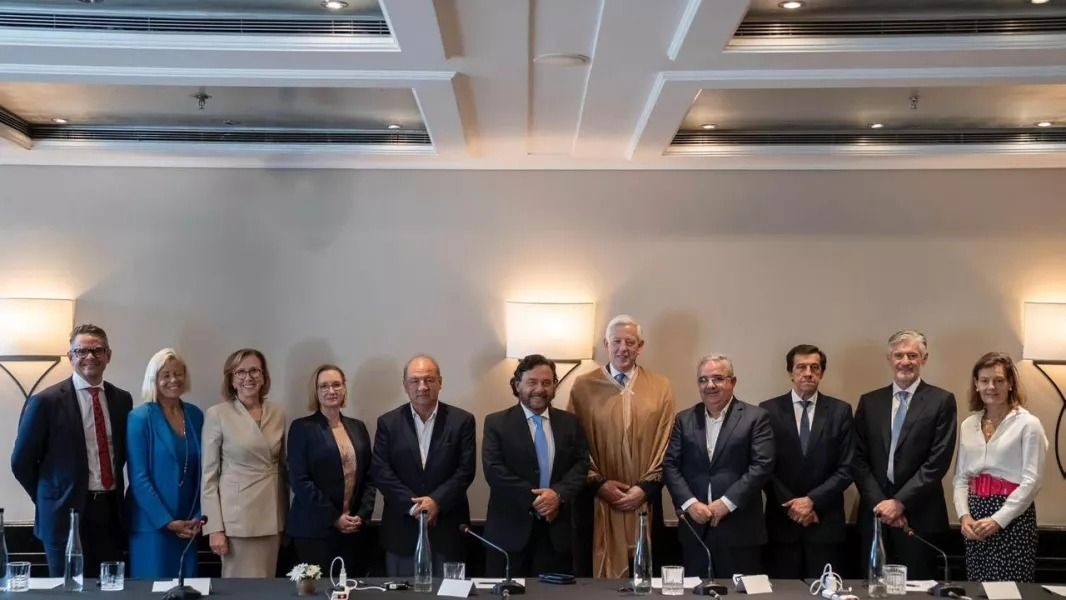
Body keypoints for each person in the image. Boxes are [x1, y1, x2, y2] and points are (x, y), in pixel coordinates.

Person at [11, 324, 132, 577]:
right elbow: (21, 462)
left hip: (109, 513)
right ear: (70, 356)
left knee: (109, 587)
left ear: (108, 355)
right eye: (81, 351)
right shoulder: (45, 402)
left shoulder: (122, 400)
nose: (90, 357)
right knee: (68, 589)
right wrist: (49, 496)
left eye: (97, 350)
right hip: (63, 516)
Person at [567, 314, 676, 578]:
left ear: (641, 346)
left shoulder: (661, 386)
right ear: (606, 344)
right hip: (596, 500)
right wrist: (600, 485)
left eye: (630, 342)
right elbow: (572, 444)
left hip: (645, 499)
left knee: (645, 575)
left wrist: (644, 488)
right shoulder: (583, 386)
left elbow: (668, 441)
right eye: (616, 341)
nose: (623, 348)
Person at [853, 330, 957, 579]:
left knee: (917, 591)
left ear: (924, 359)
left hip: (920, 517)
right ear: (889, 359)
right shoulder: (870, 402)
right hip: (875, 515)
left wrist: (899, 503)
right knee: (873, 589)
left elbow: (937, 461)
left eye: (912, 355)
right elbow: (857, 458)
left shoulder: (941, 401)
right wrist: (882, 504)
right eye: (899, 355)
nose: (905, 361)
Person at [663, 354, 774, 577]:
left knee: (739, 592)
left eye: (718, 378)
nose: (710, 385)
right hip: (695, 529)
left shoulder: (756, 417)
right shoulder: (684, 419)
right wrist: (690, 504)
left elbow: (762, 465)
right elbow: (670, 465)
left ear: (733, 381)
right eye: (703, 380)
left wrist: (726, 503)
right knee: (694, 590)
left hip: (740, 530)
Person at [482, 354, 590, 576]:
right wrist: (540, 501)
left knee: (553, 592)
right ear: (517, 385)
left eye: (546, 383)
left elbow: (581, 465)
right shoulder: (496, 423)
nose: (540, 389)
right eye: (532, 382)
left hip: (556, 535)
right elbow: (494, 471)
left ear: (554, 386)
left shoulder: (570, 422)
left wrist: (557, 495)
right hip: (509, 534)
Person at [371, 355, 476, 577]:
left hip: (448, 530)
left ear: (440, 382)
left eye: (429, 380)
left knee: (448, 592)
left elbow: (465, 471)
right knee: (402, 592)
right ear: (405, 385)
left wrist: (436, 501)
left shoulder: (462, 421)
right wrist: (416, 508)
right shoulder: (388, 423)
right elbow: (381, 472)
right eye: (415, 380)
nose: (422, 387)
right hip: (402, 531)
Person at [761, 345, 854, 579]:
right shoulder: (768, 410)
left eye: (815, 367)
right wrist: (794, 507)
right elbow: (764, 467)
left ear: (822, 373)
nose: (808, 373)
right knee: (783, 593)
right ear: (790, 373)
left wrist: (812, 501)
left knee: (825, 591)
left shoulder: (840, 411)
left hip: (825, 523)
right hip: (782, 523)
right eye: (801, 367)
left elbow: (847, 468)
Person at [953, 352, 1047, 582]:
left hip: (1012, 517)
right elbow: (961, 478)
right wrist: (964, 516)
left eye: (998, 380)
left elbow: (1032, 481)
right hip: (975, 519)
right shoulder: (968, 425)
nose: (991, 387)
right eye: (984, 380)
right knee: (978, 589)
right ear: (976, 384)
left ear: (1010, 383)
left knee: (1010, 591)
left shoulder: (1028, 424)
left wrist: (998, 519)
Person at [201, 348, 288, 578]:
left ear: (264, 376)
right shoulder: (217, 414)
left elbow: (284, 467)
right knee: (239, 589)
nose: (248, 377)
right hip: (236, 521)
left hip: (272, 515)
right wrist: (214, 528)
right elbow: (208, 477)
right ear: (231, 379)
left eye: (254, 371)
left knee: (267, 587)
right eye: (240, 372)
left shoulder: (278, 413)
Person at [287, 364, 377, 576]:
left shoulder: (358, 427)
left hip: (353, 531)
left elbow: (370, 477)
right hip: (314, 531)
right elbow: (300, 481)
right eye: (324, 386)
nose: (331, 390)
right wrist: (334, 517)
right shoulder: (302, 428)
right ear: (316, 391)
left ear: (344, 388)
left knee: (351, 588)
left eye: (336, 385)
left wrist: (361, 516)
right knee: (319, 589)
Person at [126, 348, 205, 578]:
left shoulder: (196, 415)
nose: (173, 380)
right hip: (152, 526)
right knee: (152, 590)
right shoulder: (139, 418)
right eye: (166, 375)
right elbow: (139, 478)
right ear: (154, 379)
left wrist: (198, 516)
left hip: (189, 525)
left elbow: (205, 471)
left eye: (178, 374)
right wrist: (166, 521)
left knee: (188, 589)